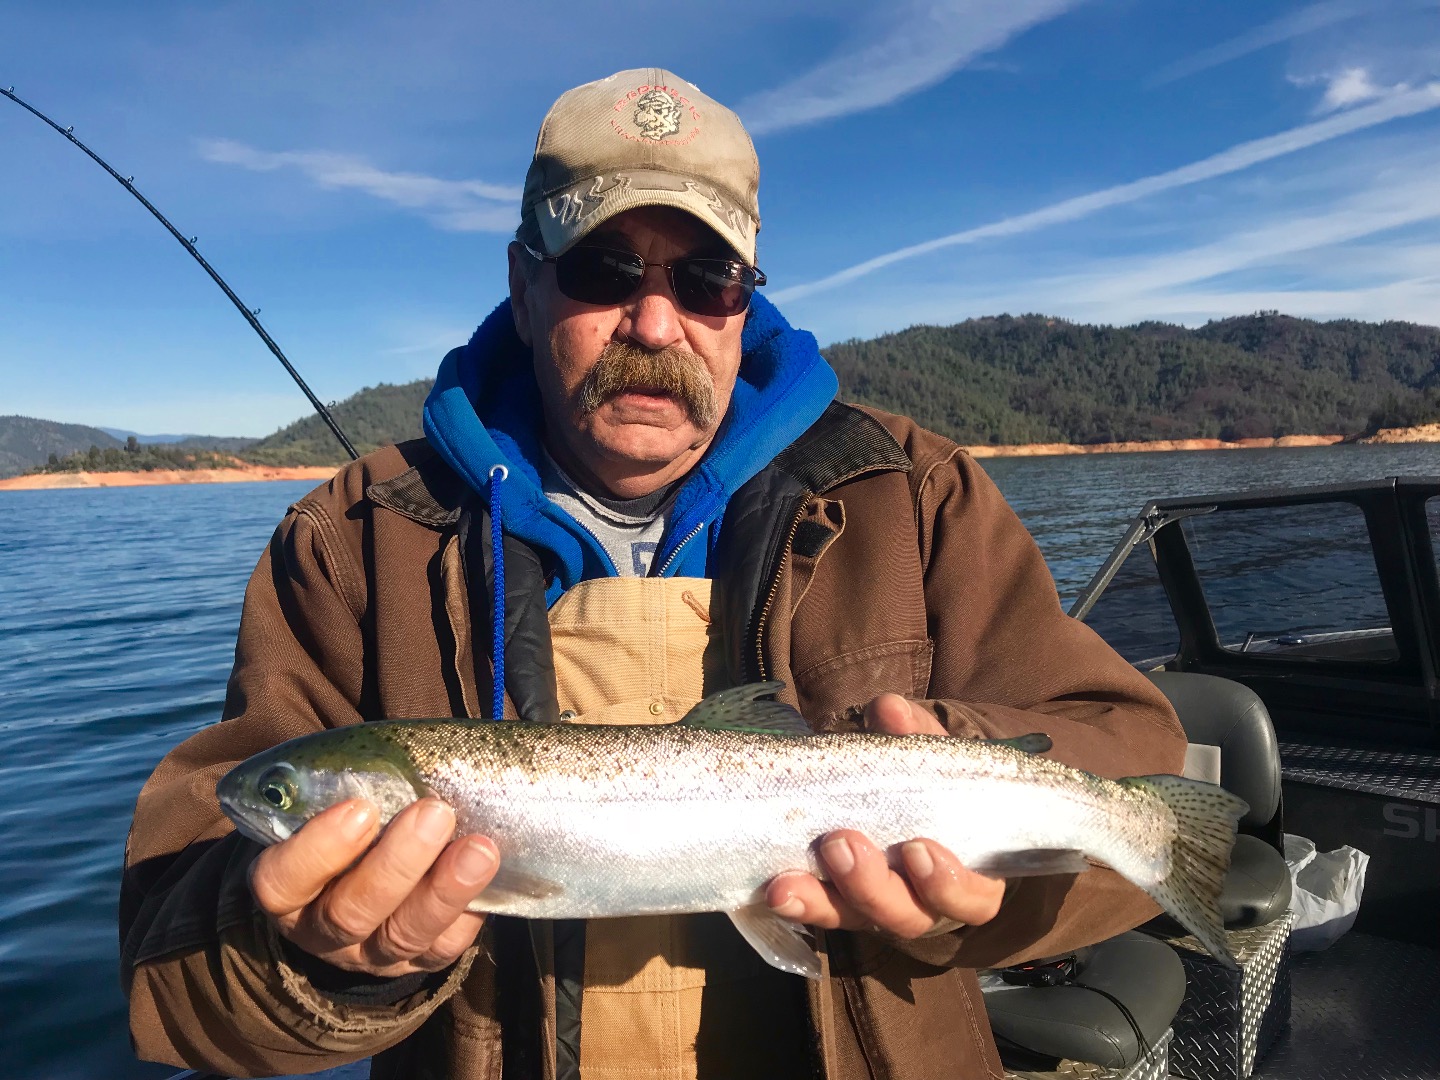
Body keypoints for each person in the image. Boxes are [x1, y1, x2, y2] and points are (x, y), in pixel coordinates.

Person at [121, 68, 1185, 1080]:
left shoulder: (914, 496)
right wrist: (318, 963)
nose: (655, 321)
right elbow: (175, 958)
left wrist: (972, 842)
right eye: (604, 270)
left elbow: (1129, 746)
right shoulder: (355, 537)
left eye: (706, 277)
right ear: (524, 286)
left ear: (746, 295)